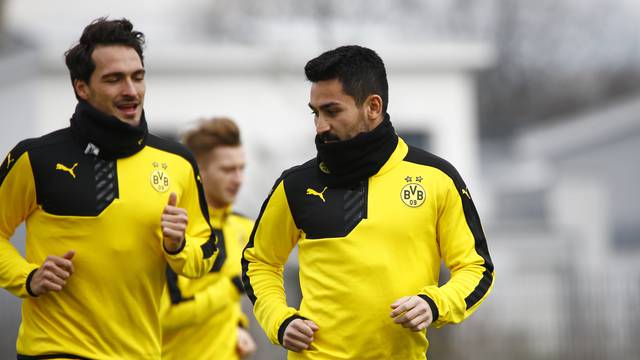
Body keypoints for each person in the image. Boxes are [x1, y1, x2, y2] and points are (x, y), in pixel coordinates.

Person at [242, 45, 494, 359]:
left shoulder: (437, 178)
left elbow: (477, 268)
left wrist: (435, 304)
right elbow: (259, 262)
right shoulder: (295, 185)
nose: (320, 126)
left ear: (372, 106)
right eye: (315, 113)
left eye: (332, 111)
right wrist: (279, 320)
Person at [0, 18, 218, 359]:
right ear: (82, 87)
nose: (130, 90)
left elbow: (206, 253)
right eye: (114, 79)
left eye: (137, 77)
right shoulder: (36, 158)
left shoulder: (178, 162)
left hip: (140, 352)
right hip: (55, 349)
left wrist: (177, 246)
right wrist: (27, 277)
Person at [160, 117, 257, 359]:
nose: (238, 179)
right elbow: (165, 316)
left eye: (241, 168)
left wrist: (239, 326)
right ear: (199, 173)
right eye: (227, 169)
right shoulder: (174, 231)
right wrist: (232, 288)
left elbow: (229, 308)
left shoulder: (245, 227)